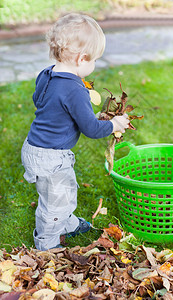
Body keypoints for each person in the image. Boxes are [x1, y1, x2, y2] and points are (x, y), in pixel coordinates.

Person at [21, 13, 129, 251]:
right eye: (94, 61)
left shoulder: (47, 74)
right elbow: (91, 129)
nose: (94, 66)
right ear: (82, 58)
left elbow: (38, 100)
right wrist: (115, 124)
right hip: (51, 156)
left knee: (64, 190)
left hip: (35, 146)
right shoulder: (75, 89)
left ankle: (67, 223)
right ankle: (46, 244)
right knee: (53, 202)